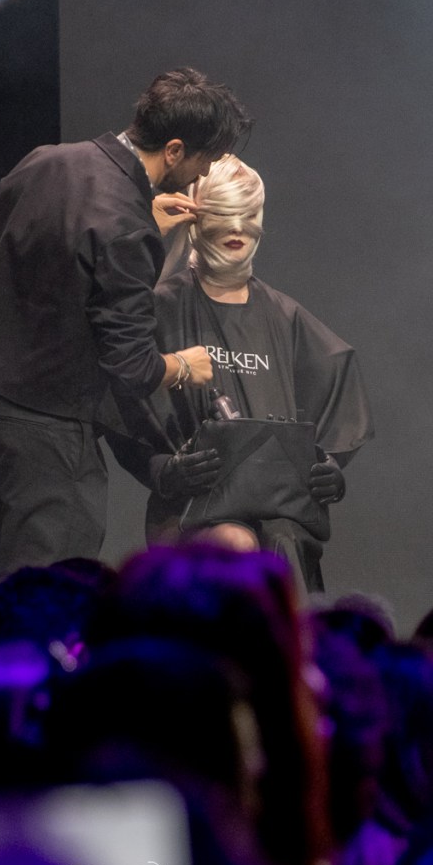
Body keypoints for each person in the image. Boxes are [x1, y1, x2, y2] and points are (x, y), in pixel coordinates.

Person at [0, 68, 251, 648]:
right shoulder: (124, 227)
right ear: (174, 149)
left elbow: (39, 259)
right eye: (203, 162)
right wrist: (184, 365)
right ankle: (37, 699)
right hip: (49, 429)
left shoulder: (44, 162)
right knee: (48, 593)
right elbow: (132, 367)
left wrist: (138, 222)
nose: (202, 178)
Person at [109, 154, 373, 592]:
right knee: (237, 547)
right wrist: (162, 470)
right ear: (197, 217)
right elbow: (120, 399)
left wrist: (326, 464)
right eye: (223, 215)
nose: (236, 230)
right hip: (192, 513)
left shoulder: (287, 319)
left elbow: (339, 389)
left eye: (246, 217)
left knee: (281, 548)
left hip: (278, 519)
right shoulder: (160, 310)